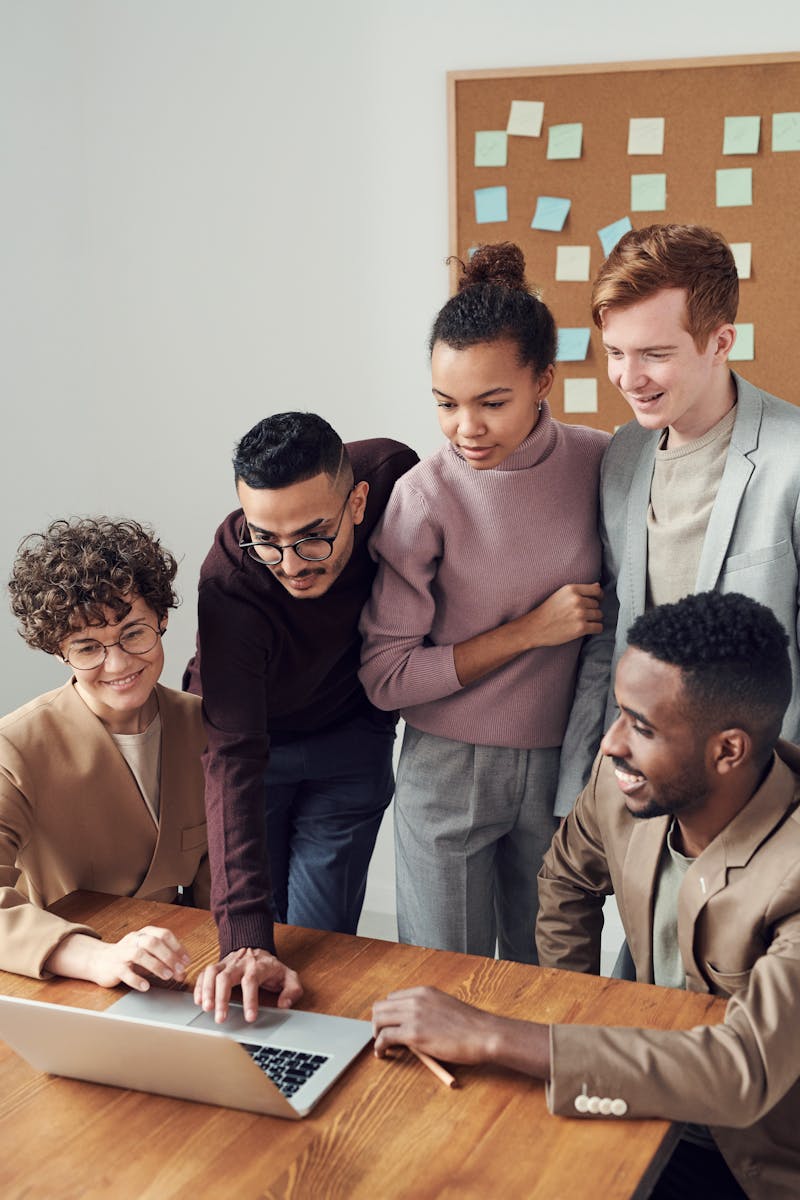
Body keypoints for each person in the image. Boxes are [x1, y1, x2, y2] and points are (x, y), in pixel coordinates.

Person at [373, 591, 800, 1200]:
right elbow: (567, 880)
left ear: (728, 749)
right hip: (630, 1104)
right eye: (620, 713)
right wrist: (572, 1029)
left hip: (751, 1159)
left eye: (643, 726)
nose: (610, 744)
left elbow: (744, 1069)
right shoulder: (626, 783)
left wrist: (503, 1036)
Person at [358, 243, 608, 961]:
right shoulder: (424, 494)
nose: (466, 428)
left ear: (544, 382)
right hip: (446, 764)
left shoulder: (602, 462)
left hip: (563, 762)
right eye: (445, 404)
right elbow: (386, 677)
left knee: (550, 978)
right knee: (444, 982)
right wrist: (531, 631)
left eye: (492, 402)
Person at [555, 222, 800, 814]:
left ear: (720, 342)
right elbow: (610, 628)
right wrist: (578, 793)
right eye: (616, 352)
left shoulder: (793, 460)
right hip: (636, 787)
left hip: (764, 794)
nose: (628, 378)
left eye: (655, 354)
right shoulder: (622, 455)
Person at [184, 412, 417, 1021]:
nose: (290, 563)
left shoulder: (395, 477)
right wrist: (244, 940)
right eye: (266, 538)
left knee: (320, 951)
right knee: (255, 949)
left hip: (349, 738)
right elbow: (231, 753)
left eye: (314, 536)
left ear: (359, 501)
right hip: (248, 748)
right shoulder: (232, 579)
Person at [1, 517, 209, 989]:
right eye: (87, 646)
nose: (117, 664)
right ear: (58, 650)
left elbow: (221, 884)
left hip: (184, 965)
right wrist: (96, 959)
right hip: (61, 974)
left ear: (163, 618)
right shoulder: (13, 747)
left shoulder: (204, 727)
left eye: (134, 633)